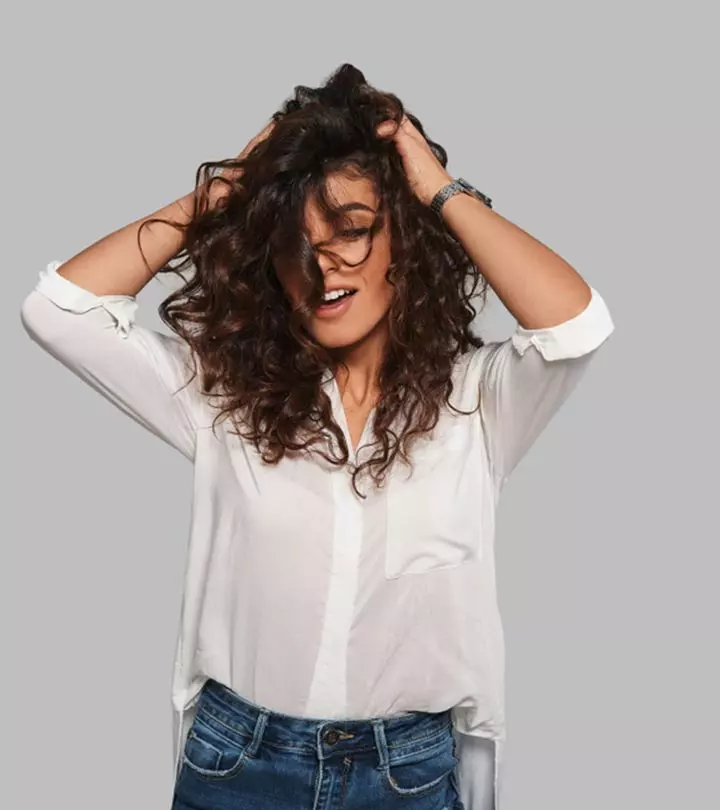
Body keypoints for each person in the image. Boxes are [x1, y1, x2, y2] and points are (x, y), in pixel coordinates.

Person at [19, 64, 614, 810]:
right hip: (240, 766)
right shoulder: (227, 398)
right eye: (296, 242)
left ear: (406, 241)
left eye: (354, 230)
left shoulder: (478, 401)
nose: (323, 262)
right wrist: (229, 189)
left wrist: (435, 189)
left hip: (408, 776)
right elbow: (58, 310)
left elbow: (575, 325)